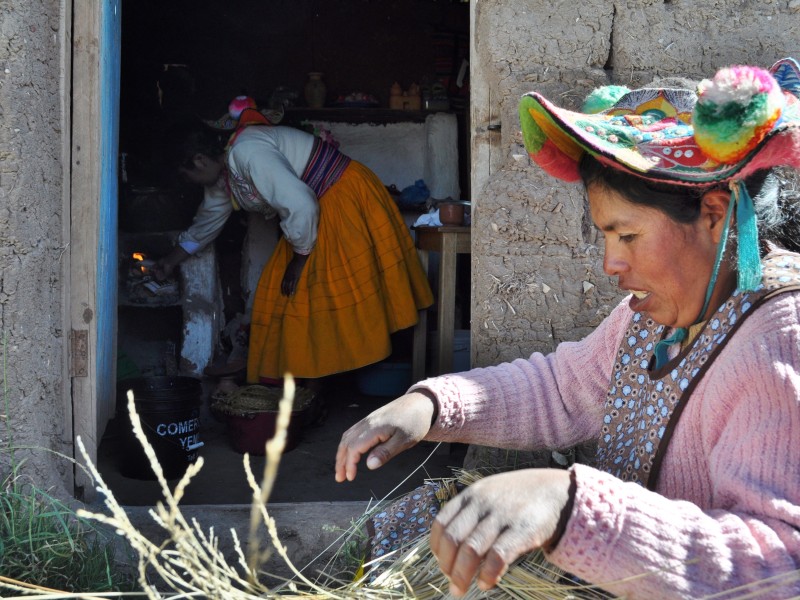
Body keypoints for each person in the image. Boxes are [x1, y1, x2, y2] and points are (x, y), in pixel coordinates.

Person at [335, 58, 800, 598]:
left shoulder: (778, 339)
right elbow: (562, 389)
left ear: (714, 214)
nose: (611, 264)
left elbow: (782, 565)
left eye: (626, 236)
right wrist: (433, 406)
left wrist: (570, 506)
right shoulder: (656, 316)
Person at [156, 97, 434, 384]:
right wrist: (169, 261)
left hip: (342, 196)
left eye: (186, 175)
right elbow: (208, 221)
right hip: (319, 209)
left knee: (307, 291)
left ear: (199, 160)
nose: (190, 183)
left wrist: (300, 260)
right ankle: (304, 378)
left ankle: (320, 379)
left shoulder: (246, 151)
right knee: (283, 294)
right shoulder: (225, 171)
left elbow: (301, 204)